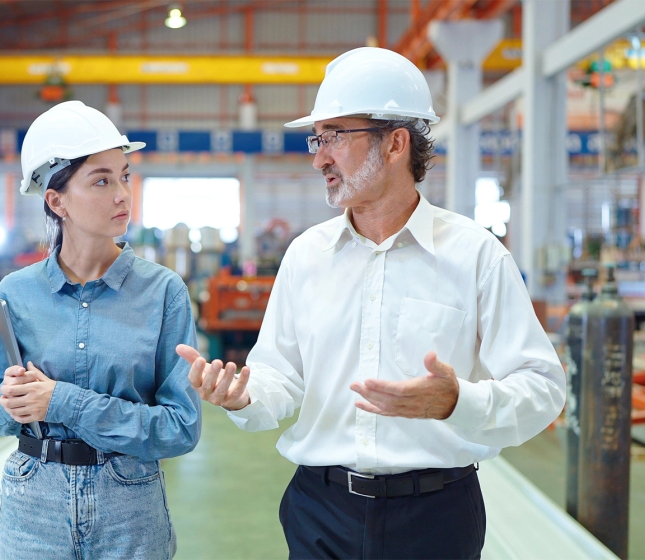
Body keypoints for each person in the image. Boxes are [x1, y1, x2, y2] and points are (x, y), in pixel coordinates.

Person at [176, 47, 566, 559]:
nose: (319, 157)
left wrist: (457, 402)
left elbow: (543, 390)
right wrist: (243, 396)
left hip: (436, 518)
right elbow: (281, 379)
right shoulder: (307, 256)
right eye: (318, 138)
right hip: (321, 511)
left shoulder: (475, 256)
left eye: (335, 135)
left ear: (397, 142)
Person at [0, 101, 201, 559]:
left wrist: (62, 401)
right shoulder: (16, 294)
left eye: (124, 176)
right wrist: (11, 401)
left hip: (129, 500)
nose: (123, 193)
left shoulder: (163, 293)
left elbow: (181, 428)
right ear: (56, 200)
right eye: (102, 180)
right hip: (32, 500)